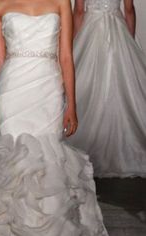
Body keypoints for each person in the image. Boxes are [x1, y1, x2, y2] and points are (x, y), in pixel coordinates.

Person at [0, 0, 108, 235]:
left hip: (47, 87)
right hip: (11, 90)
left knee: (47, 158)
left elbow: (67, 57)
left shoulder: (61, 2)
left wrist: (72, 103)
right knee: (12, 158)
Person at [68, 0, 146, 178]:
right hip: (117, 29)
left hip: (90, 28)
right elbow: (129, 10)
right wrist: (130, 40)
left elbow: (79, 11)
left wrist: (74, 43)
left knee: (84, 82)